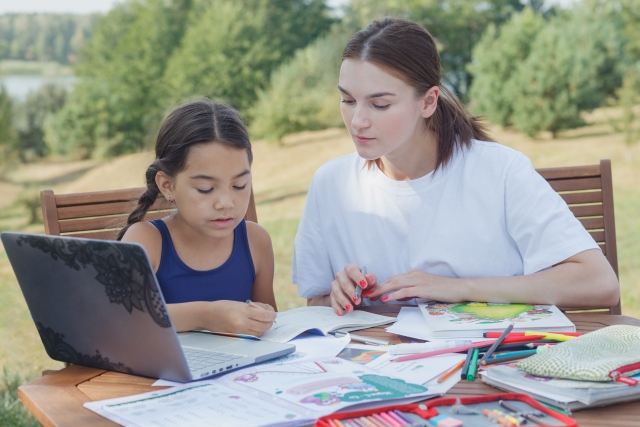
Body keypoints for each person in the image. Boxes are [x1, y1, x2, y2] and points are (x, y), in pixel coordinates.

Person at [292, 18, 619, 315]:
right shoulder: (331, 183)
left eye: (380, 104)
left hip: (487, 365)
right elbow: (316, 303)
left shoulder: (499, 170)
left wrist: (456, 289)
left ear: (428, 101)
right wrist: (342, 296)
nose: (357, 121)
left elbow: (599, 283)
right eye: (347, 100)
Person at [118, 98, 277, 336]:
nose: (226, 203)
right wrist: (206, 316)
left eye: (240, 185)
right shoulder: (146, 241)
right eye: (205, 189)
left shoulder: (256, 242)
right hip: (159, 374)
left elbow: (270, 328)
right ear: (167, 185)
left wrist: (262, 317)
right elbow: (122, 320)